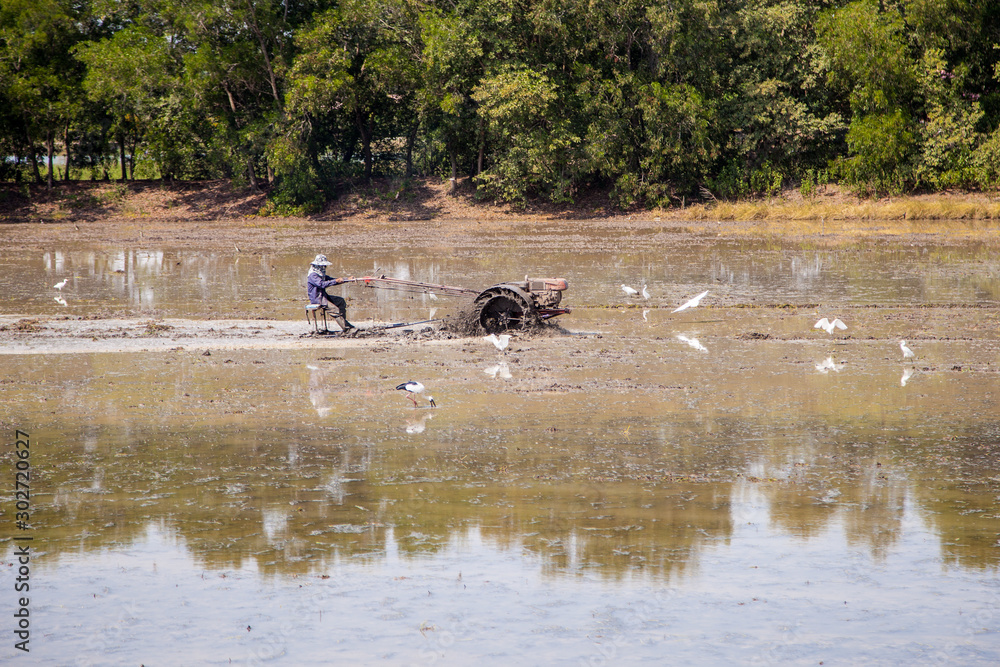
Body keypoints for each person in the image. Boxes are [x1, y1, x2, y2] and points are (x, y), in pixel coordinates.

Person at [307, 254, 356, 333]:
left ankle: (344, 324)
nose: (325, 267)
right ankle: (347, 329)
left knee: (340, 301)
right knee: (335, 309)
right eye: (323, 266)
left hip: (323, 296)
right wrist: (336, 281)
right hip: (317, 298)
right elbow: (321, 284)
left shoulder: (320, 274)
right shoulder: (313, 275)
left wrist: (346, 279)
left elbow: (332, 280)